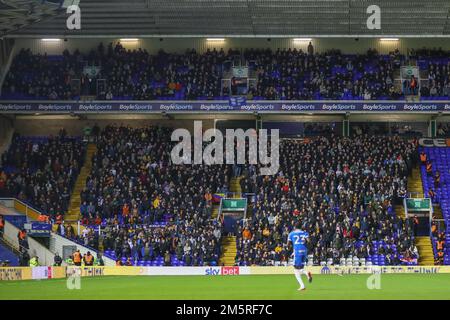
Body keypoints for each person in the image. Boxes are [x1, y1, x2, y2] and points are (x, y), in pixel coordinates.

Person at [287, 223, 312, 291]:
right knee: (300, 268)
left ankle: (303, 284)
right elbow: (309, 241)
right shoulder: (304, 233)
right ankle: (306, 274)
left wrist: (288, 248)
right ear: (301, 227)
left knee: (295, 269)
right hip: (304, 251)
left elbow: (288, 244)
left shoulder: (291, 234)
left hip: (297, 251)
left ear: (295, 227)